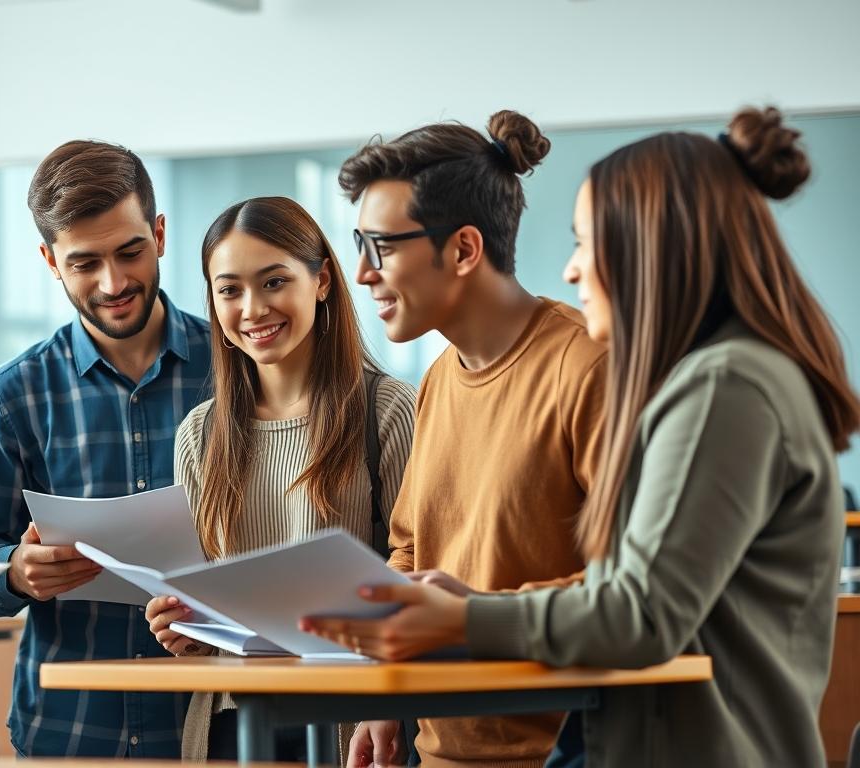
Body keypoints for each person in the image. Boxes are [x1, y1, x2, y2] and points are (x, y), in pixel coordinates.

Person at [303, 106, 860, 768]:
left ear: (651, 246)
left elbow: (639, 611)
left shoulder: (723, 385)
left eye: (586, 242)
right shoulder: (730, 377)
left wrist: (465, 618)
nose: (571, 269)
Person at [335, 111, 609, 767]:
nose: (363, 273)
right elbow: (410, 551)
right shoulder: (436, 382)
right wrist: (386, 692)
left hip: (559, 754)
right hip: (439, 753)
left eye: (382, 247)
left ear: (462, 249)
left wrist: (473, 614)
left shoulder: (587, 368)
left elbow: (628, 591)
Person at [0, 140, 212, 758]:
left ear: (161, 233)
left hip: (217, 722)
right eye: (84, 263)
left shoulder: (240, 370)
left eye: (130, 252)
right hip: (73, 730)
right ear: (49, 260)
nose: (113, 282)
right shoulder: (11, 397)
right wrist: (14, 570)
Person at [143, 196, 417, 762]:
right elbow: (205, 600)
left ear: (320, 281)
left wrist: (383, 701)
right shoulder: (201, 434)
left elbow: (418, 569)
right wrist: (183, 627)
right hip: (233, 725)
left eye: (273, 282)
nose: (252, 309)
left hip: (352, 721)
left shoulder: (385, 410)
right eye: (229, 290)